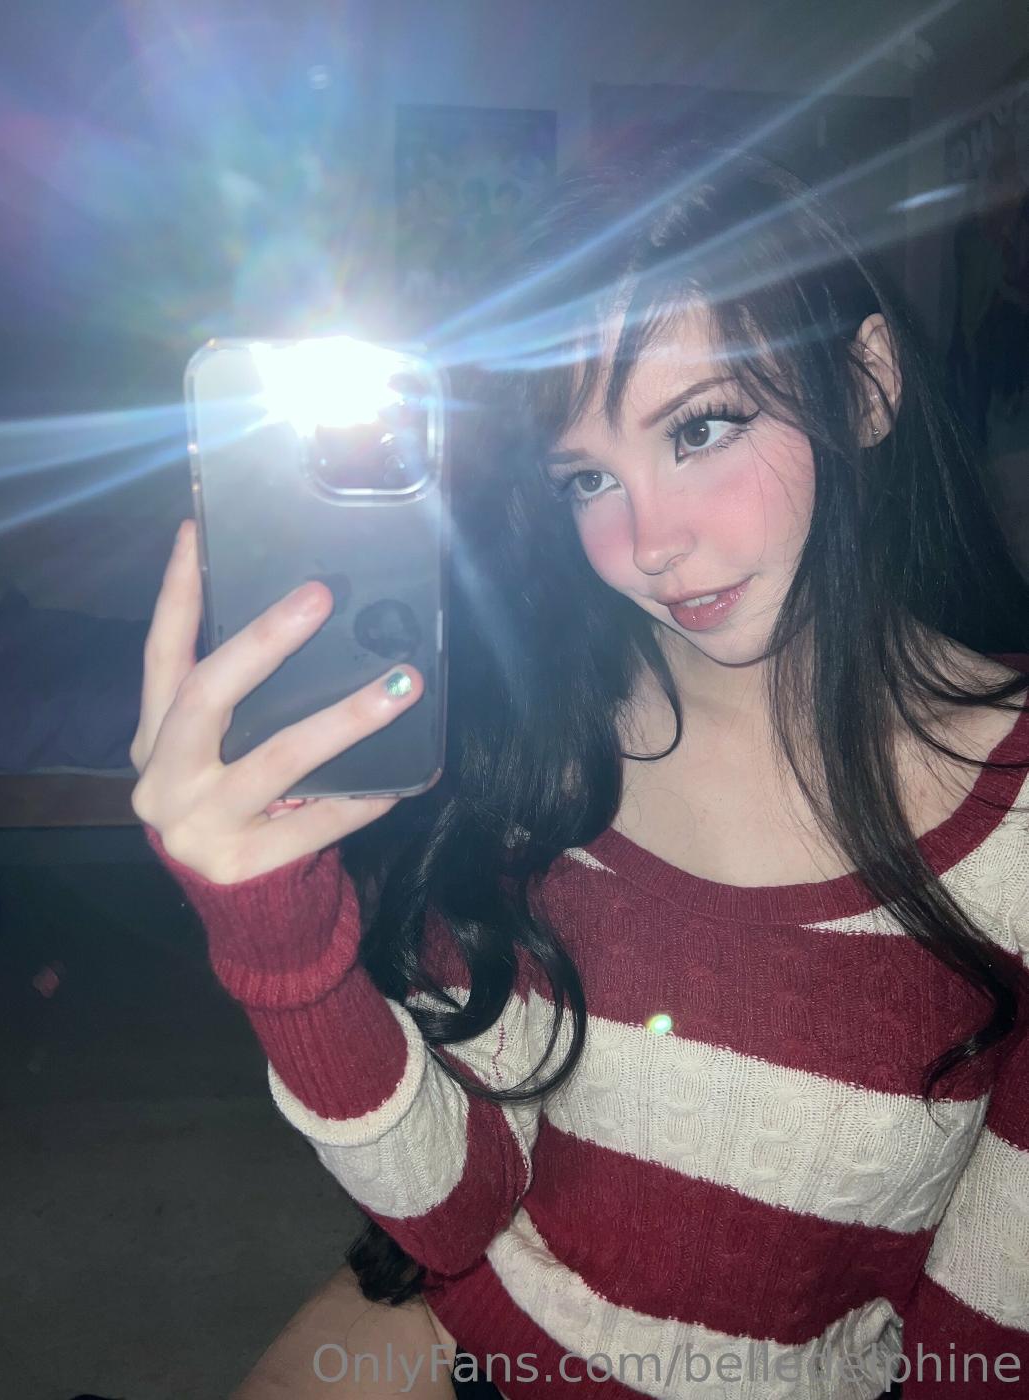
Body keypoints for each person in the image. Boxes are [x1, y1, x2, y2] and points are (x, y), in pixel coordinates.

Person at [129, 146, 1029, 1400]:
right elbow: (453, 1205)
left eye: (702, 427)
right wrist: (273, 928)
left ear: (868, 384)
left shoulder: (1013, 822)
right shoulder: (551, 749)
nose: (649, 541)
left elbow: (987, 1336)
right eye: (588, 478)